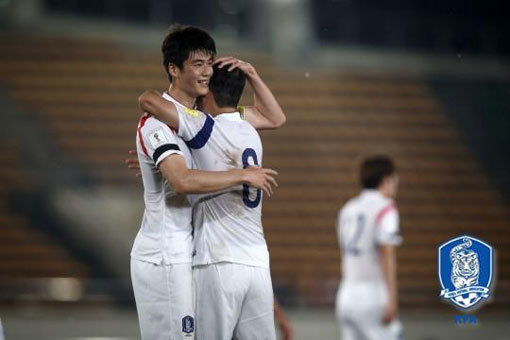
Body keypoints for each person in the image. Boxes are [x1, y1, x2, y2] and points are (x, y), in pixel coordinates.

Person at [130, 25, 278, 340]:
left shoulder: (205, 121)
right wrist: (242, 174)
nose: (208, 72)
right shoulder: (159, 123)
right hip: (166, 252)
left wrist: (149, 162)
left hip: (196, 251)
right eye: (198, 64)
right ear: (174, 68)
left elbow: (273, 118)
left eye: (210, 63)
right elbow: (181, 180)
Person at [335, 156, 404, 340]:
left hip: (346, 294)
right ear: (386, 179)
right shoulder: (386, 207)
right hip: (373, 296)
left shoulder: (347, 209)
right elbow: (386, 251)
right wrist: (392, 298)